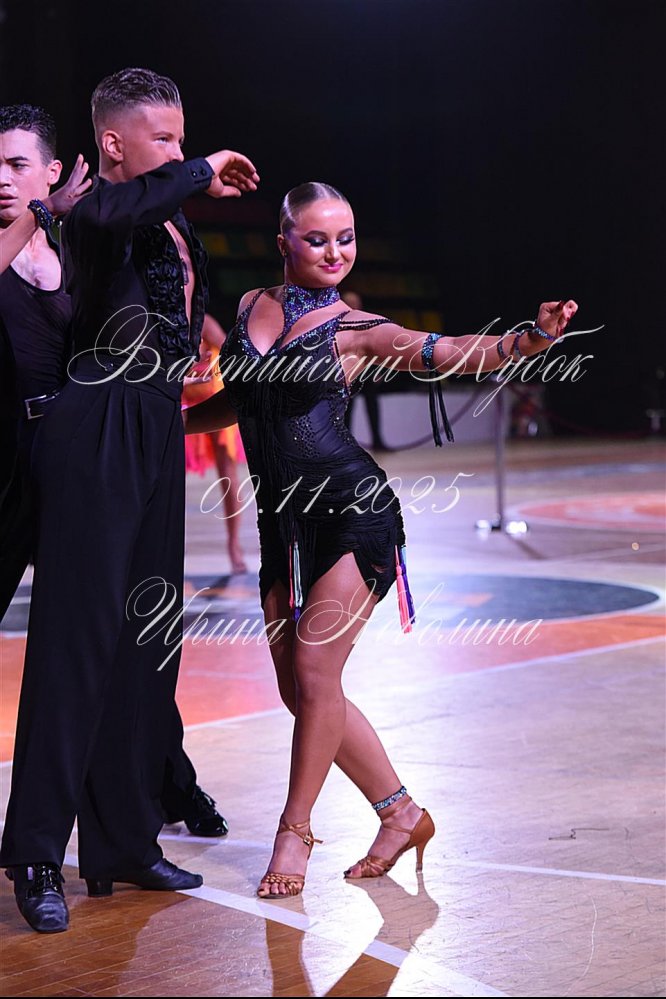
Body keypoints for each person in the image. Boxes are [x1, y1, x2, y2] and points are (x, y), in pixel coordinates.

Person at [183, 181, 578, 897]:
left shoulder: (359, 329)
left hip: (352, 513)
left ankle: (294, 831)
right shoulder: (249, 308)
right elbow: (242, 400)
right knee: (300, 689)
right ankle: (401, 814)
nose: (335, 251)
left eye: (346, 238)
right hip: (282, 523)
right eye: (317, 238)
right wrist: (170, 425)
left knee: (314, 673)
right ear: (283, 241)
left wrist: (531, 339)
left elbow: (448, 351)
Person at [0, 73, 259, 934]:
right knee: (75, 648)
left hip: (156, 423)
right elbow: (112, 213)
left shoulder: (168, 217)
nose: (179, 153)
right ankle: (36, 852)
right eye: (164, 140)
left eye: (184, 138)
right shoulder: (91, 210)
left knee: (147, 644)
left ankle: (122, 841)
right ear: (114, 143)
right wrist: (200, 170)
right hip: (95, 423)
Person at [180, 312, 248, 574]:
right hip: (184, 399)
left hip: (212, 393)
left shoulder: (203, 320)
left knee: (227, 472)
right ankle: (173, 542)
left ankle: (234, 543)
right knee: (173, 474)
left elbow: (230, 350)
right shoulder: (164, 316)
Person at [341, 289, 389, 450]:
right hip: (347, 370)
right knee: (347, 408)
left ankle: (377, 440)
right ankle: (346, 443)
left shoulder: (367, 320)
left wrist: (379, 370)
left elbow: (376, 346)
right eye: (350, 302)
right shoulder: (338, 322)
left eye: (355, 302)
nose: (353, 305)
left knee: (372, 404)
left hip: (367, 369)